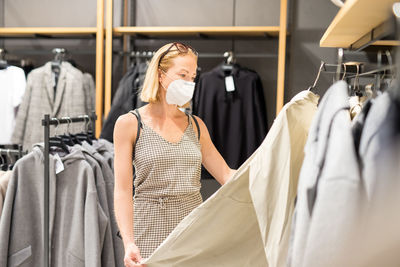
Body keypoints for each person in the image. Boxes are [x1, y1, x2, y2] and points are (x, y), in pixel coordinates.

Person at [113, 42, 236, 267]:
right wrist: (128, 242)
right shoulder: (129, 124)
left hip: (191, 228)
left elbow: (227, 175)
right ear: (160, 75)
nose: (190, 82)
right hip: (148, 228)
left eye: (193, 76)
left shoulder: (196, 126)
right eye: (183, 75)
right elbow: (122, 190)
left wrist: (268, 164)